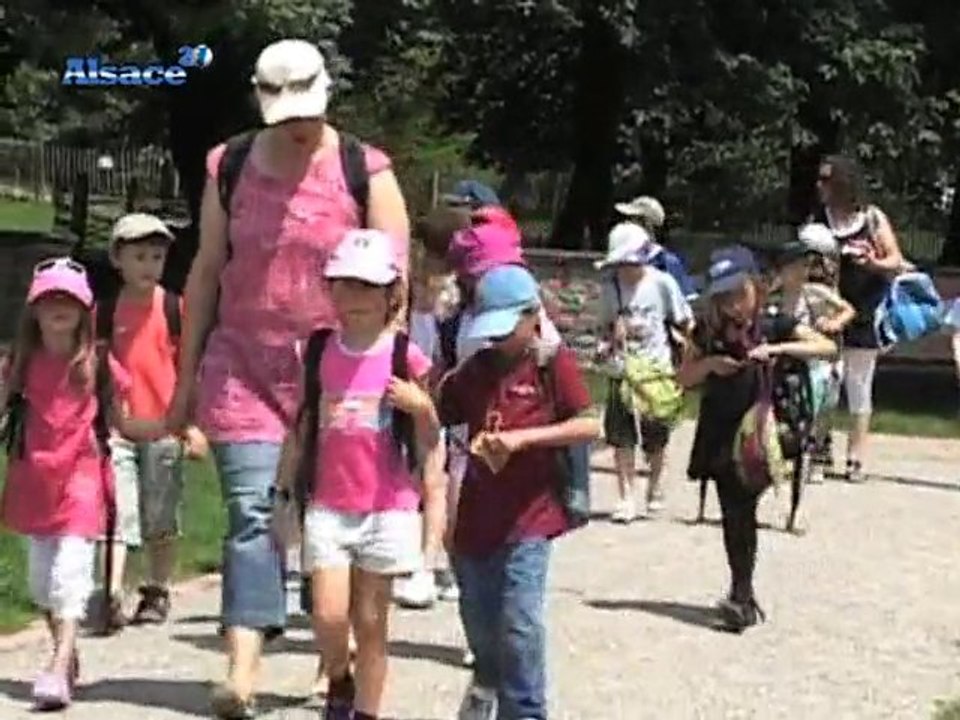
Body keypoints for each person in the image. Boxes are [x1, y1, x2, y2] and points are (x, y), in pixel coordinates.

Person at [164, 38, 410, 717]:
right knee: (253, 514)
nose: (297, 124)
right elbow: (209, 268)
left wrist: (380, 376)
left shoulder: (367, 170)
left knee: (329, 519)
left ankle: (335, 659)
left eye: (306, 110)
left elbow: (398, 283)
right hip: (241, 366)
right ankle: (241, 670)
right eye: (283, 111)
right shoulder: (231, 165)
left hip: (336, 375)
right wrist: (186, 381)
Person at [273, 230, 442, 720]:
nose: (355, 298)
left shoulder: (404, 355)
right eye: (345, 286)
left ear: (392, 294)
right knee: (327, 615)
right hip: (329, 503)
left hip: (387, 505)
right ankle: (339, 678)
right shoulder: (319, 350)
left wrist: (422, 405)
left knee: (370, 621)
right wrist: (281, 493)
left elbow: (432, 433)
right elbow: (302, 425)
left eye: (368, 287)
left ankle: (366, 710)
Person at [0, 259, 165, 710]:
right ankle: (67, 653)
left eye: (68, 299)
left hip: (82, 481)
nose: (59, 307)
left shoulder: (97, 363)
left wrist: (168, 426)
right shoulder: (20, 363)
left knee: (68, 577)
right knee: (40, 584)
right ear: (34, 309)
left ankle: (57, 663)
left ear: (85, 308)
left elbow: (123, 421)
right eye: (50, 299)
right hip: (34, 483)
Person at [437, 264, 600, 720]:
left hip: (530, 516)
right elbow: (440, 415)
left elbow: (589, 424)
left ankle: (526, 711)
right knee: (479, 621)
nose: (500, 340)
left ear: (533, 315)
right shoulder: (475, 369)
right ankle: (487, 682)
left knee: (520, 624)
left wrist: (523, 440)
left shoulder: (552, 363)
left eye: (509, 328)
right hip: (475, 516)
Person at [679, 246, 835, 632]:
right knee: (735, 513)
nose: (733, 304)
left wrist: (778, 350)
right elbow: (683, 377)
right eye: (724, 297)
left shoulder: (774, 323)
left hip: (761, 430)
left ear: (755, 287)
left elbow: (826, 346)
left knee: (742, 506)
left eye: (738, 293)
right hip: (720, 429)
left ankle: (742, 595)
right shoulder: (707, 330)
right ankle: (742, 595)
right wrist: (710, 365)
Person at [100, 214, 207, 632]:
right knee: (117, 512)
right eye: (139, 256)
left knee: (160, 516)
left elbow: (187, 367)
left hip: (164, 427)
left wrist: (191, 424)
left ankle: (157, 587)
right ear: (118, 260)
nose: (148, 265)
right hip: (119, 430)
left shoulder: (173, 309)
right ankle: (111, 593)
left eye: (157, 257)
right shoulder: (105, 313)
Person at [810, 155, 906, 483]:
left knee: (859, 385)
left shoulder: (871, 218)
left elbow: (895, 259)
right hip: (828, 310)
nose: (820, 185)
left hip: (865, 310)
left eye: (826, 179)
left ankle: (856, 457)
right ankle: (819, 449)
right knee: (824, 383)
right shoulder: (818, 220)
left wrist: (871, 263)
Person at [596, 222, 694, 523]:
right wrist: (611, 338)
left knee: (655, 436)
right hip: (622, 370)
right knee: (621, 436)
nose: (625, 269)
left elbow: (684, 321)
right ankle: (626, 496)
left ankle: (655, 483)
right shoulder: (610, 288)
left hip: (656, 370)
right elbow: (603, 328)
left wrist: (687, 356)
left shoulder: (661, 283)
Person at [768, 235, 854, 531]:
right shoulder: (773, 296)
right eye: (797, 265)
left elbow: (847, 309)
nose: (803, 270)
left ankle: (796, 505)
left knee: (803, 432)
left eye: (805, 264)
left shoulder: (814, 292)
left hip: (808, 368)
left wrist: (833, 323)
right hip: (775, 369)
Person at [615, 195, 697, 299]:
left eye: (632, 219)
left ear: (647, 224)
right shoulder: (621, 260)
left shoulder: (667, 263)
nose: (625, 224)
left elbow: (687, 302)